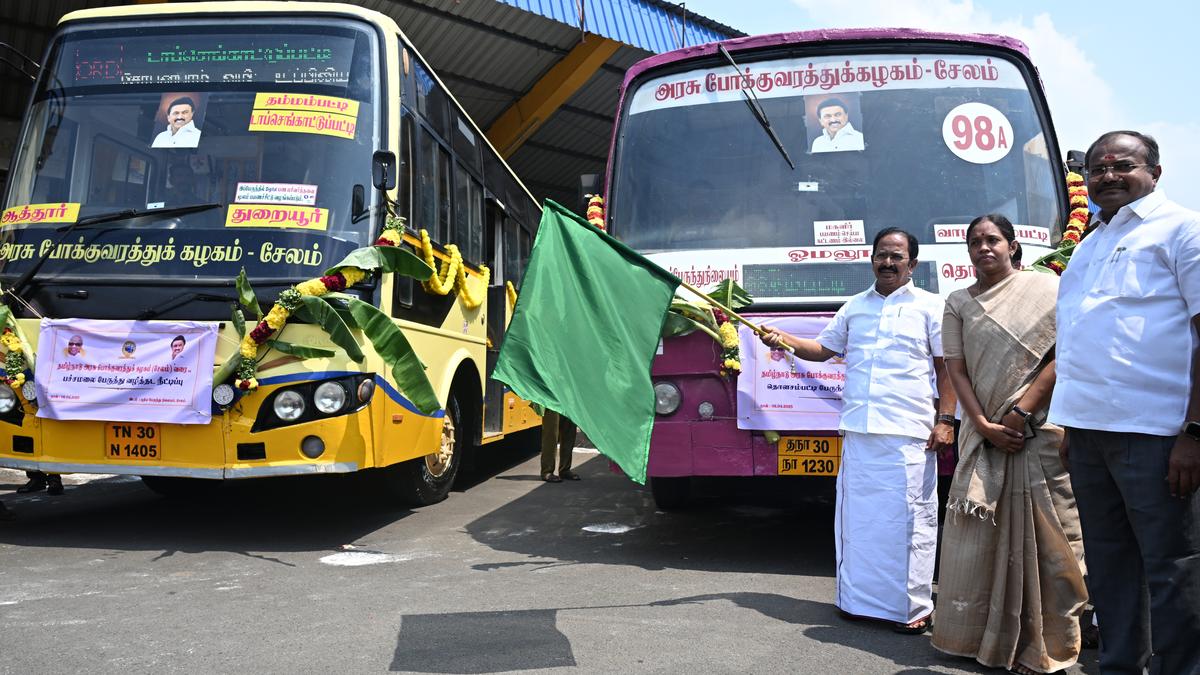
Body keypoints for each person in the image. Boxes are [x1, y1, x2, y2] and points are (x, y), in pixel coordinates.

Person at [1049, 130, 1200, 674]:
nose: (1108, 176)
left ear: (1154, 172)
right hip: (1088, 436)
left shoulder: (1183, 230)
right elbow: (1080, 339)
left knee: (1172, 567)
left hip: (1158, 434)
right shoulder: (1087, 245)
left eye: (1122, 165)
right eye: (1097, 168)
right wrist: (1069, 428)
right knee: (1110, 568)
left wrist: (1194, 431)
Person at [759, 227, 955, 634]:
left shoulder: (931, 307)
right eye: (881, 255)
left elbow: (946, 368)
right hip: (860, 433)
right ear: (872, 260)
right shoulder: (855, 307)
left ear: (912, 264)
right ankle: (856, 603)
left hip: (909, 434)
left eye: (896, 257)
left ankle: (911, 609)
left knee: (909, 523)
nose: (887, 263)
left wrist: (946, 419)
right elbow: (823, 350)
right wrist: (783, 338)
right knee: (858, 523)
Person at [931, 214, 1087, 675]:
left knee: (1051, 535)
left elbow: (1065, 354)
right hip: (984, 436)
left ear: (1013, 246)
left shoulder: (1047, 290)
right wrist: (981, 422)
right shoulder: (958, 301)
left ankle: (1044, 645)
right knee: (982, 539)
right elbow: (956, 370)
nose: (984, 248)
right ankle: (980, 639)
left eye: (993, 240)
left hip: (1037, 432)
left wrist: (1018, 414)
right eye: (975, 242)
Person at [540, 409, 580, 482]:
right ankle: (547, 471)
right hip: (552, 400)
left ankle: (565, 470)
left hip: (568, 401)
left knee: (569, 433)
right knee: (551, 435)